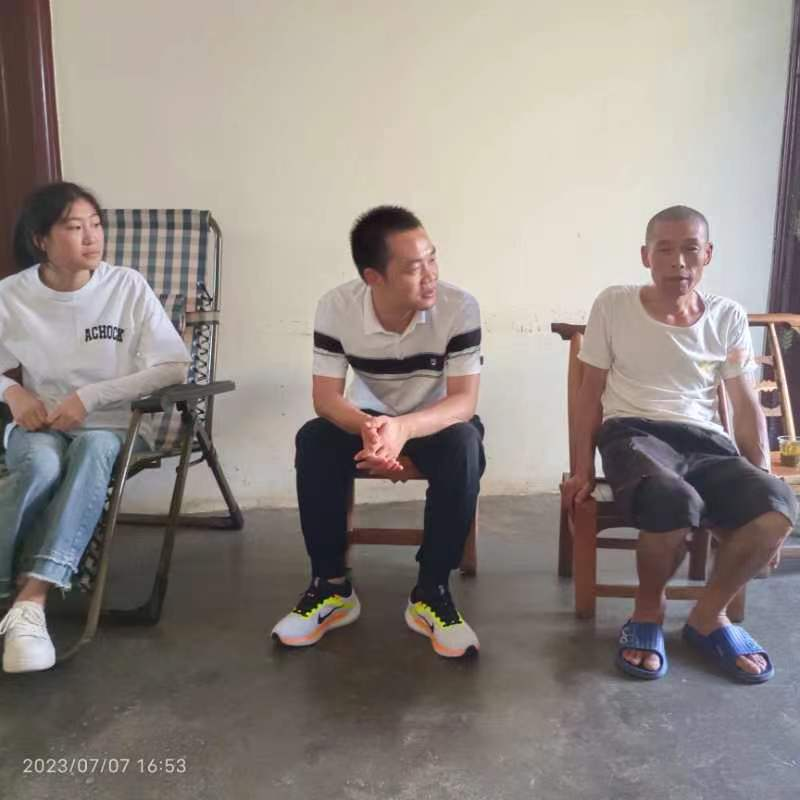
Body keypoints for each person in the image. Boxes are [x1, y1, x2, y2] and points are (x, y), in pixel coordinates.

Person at [563, 205, 798, 683]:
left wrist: (764, 478)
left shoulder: (727, 315)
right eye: (665, 250)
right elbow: (589, 394)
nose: (678, 262)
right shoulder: (614, 304)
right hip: (634, 433)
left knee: (776, 507)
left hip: (706, 443)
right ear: (645, 256)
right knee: (671, 499)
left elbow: (745, 406)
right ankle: (648, 611)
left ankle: (709, 616)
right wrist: (581, 469)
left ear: (707, 254)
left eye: (691, 249)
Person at [272, 205, 485, 658]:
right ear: (374, 277)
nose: (430, 275)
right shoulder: (336, 307)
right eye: (413, 268)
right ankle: (331, 588)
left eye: (432, 258)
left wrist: (402, 429)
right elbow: (326, 398)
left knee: (465, 445)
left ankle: (431, 592)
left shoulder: (459, 307)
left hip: (435, 421)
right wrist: (372, 429)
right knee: (314, 440)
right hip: (368, 419)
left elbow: (464, 402)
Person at [0, 181, 190, 673]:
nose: (91, 237)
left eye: (96, 225)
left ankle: (31, 600)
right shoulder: (14, 295)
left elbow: (173, 365)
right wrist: (12, 392)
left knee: (92, 449)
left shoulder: (125, 286)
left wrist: (91, 397)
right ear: (41, 240)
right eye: (74, 227)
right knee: (40, 466)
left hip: (114, 426)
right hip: (42, 426)